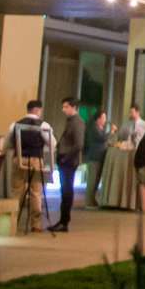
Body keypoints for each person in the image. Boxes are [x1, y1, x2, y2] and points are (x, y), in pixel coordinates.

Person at [6, 99, 56, 235]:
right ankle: (36, 224)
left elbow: (8, 144)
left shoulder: (15, 124)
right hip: (36, 160)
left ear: (27, 109)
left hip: (19, 159)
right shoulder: (43, 125)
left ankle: (12, 222)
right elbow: (52, 144)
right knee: (36, 193)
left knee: (16, 191)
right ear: (38, 110)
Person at [51, 97, 85, 233]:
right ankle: (62, 221)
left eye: (66, 107)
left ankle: (64, 222)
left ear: (73, 107)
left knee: (66, 191)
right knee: (64, 190)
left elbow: (78, 144)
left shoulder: (77, 122)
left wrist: (65, 157)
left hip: (69, 161)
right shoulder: (71, 121)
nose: (63, 109)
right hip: (66, 160)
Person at [83, 111, 109, 209]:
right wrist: (111, 132)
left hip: (99, 157)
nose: (105, 120)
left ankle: (92, 200)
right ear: (98, 119)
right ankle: (88, 202)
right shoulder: (93, 128)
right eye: (103, 118)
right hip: (94, 157)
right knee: (92, 180)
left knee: (96, 180)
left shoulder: (99, 128)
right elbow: (101, 138)